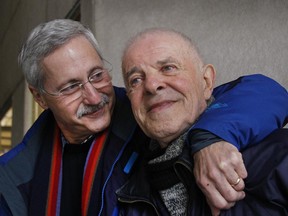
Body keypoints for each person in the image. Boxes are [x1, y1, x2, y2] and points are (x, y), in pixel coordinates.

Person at [0, 20, 286, 216]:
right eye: (70, 87)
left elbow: (261, 93)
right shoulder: (14, 176)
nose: (93, 96)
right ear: (39, 97)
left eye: (96, 75)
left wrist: (211, 137)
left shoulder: (151, 108)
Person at [116, 28, 288, 215]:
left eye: (168, 68)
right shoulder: (127, 199)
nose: (151, 85)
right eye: (135, 80)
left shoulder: (278, 156)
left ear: (206, 82)